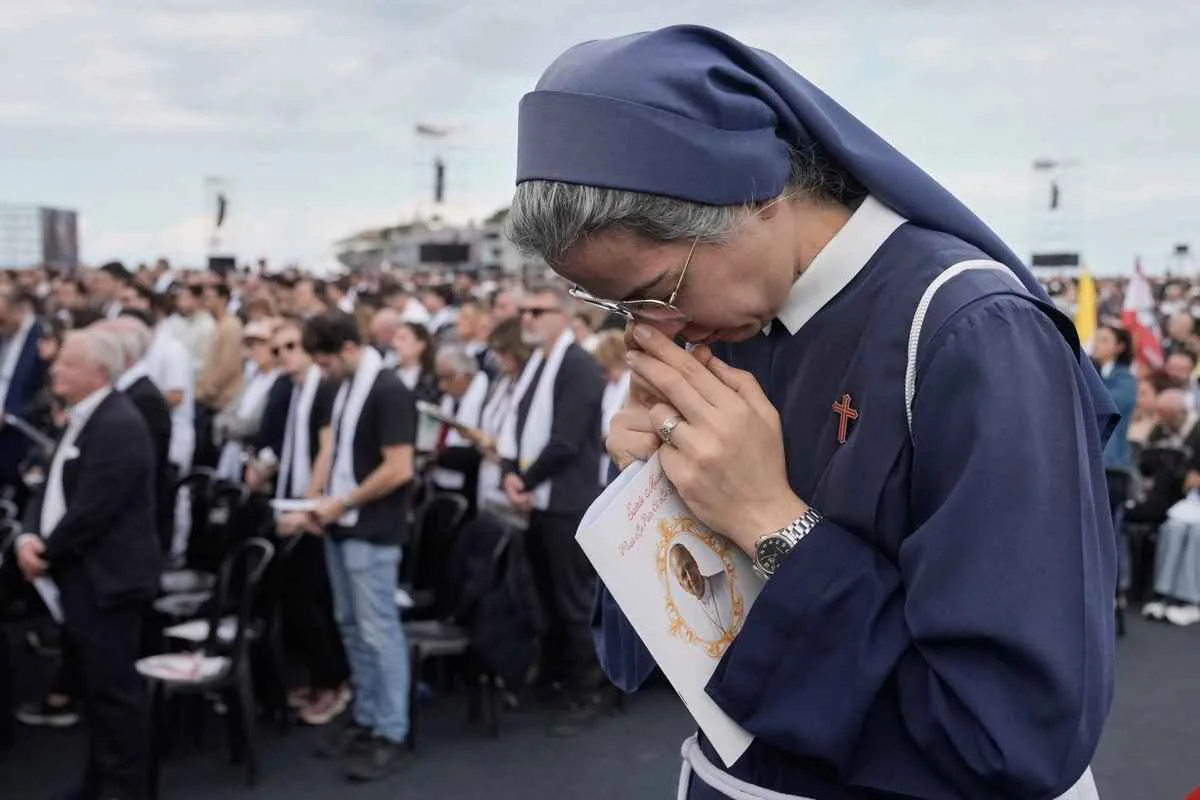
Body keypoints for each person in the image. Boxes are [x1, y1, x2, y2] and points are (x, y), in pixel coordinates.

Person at [506, 25, 1116, 799]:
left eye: (656, 290)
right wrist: (654, 496)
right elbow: (664, 655)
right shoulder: (733, 315)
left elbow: (1012, 734)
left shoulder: (972, 331)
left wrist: (771, 520)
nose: (653, 330)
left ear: (755, 191)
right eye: (614, 305)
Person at [15, 328, 158, 799]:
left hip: (108, 580)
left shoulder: (118, 425)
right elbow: (50, 484)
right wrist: (30, 534)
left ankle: (126, 789)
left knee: (117, 697)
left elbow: (93, 510)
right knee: (97, 695)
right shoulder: (81, 418)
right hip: (83, 576)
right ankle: (100, 780)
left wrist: (47, 552)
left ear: (98, 372)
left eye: (68, 364)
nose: (56, 369)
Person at [297, 311, 417, 781]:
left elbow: (399, 468)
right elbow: (335, 451)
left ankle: (392, 729)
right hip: (345, 524)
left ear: (348, 349)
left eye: (325, 363)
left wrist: (340, 500)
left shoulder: (387, 390)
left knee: (378, 631)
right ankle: (368, 717)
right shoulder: (347, 387)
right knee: (352, 628)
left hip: (372, 528)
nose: (321, 374)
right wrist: (317, 501)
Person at [498, 281, 608, 735]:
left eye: (537, 311)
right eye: (524, 311)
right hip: (539, 500)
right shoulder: (535, 367)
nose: (527, 318)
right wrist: (509, 468)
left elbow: (564, 439)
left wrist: (523, 478)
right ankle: (559, 679)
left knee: (574, 602)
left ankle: (590, 691)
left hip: (567, 501)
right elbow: (514, 425)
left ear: (563, 316)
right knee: (545, 598)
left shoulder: (579, 366)